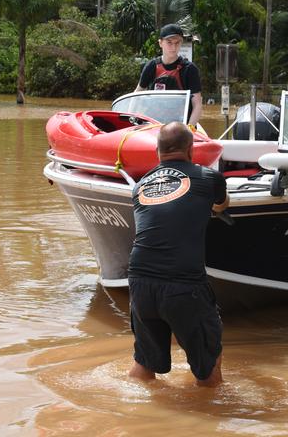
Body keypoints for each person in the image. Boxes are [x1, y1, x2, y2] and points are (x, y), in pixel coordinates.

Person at [127, 122, 229, 387]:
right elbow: (221, 204)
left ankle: (134, 413)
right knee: (209, 367)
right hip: (183, 284)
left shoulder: (139, 186)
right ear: (191, 149)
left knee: (144, 363)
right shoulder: (209, 178)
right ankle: (208, 420)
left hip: (139, 283)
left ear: (157, 152)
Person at [135, 24, 203, 128]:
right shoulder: (151, 66)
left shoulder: (189, 69)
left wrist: (189, 129)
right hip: (154, 125)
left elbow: (197, 104)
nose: (174, 47)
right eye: (169, 42)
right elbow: (137, 96)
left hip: (180, 127)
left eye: (177, 43)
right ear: (160, 43)